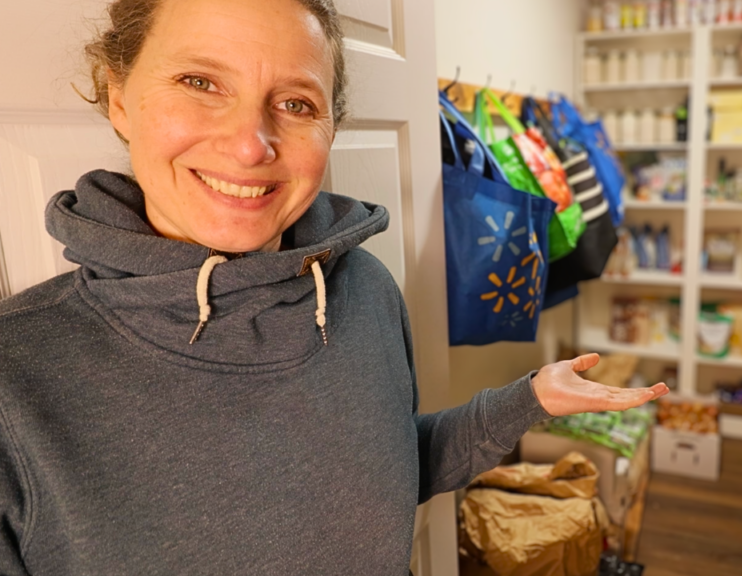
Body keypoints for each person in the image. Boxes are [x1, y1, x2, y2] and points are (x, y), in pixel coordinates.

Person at [0, 0, 669, 573]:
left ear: (330, 126)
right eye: (201, 82)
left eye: (295, 102)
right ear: (118, 95)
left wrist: (528, 402)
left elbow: (387, 471)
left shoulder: (366, 293)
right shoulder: (18, 381)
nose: (250, 143)